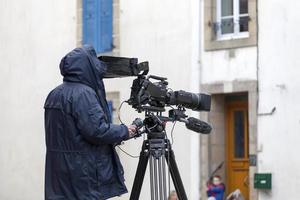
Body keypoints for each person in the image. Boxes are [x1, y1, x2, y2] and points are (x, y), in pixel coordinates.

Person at [44, 45, 136, 200]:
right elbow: (97, 131)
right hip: (82, 178)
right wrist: (126, 131)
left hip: (59, 178)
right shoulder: (84, 94)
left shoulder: (54, 94)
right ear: (88, 67)